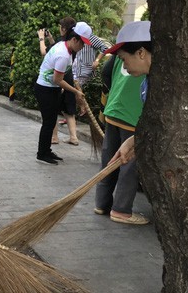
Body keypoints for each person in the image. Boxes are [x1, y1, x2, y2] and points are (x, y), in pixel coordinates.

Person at [103, 20, 159, 293]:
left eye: (123, 59)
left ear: (141, 52)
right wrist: (132, 142)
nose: (122, 67)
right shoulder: (151, 80)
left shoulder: (173, 82)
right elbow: (153, 120)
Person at [93, 47, 148, 225]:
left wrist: (116, 90)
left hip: (114, 109)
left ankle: (101, 204)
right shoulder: (146, 52)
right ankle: (121, 210)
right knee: (128, 166)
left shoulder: (124, 48)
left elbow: (106, 72)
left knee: (109, 159)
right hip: (133, 114)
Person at [34, 22, 91, 165]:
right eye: (82, 44)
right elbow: (57, 79)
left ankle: (47, 150)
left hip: (51, 89)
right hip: (45, 89)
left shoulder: (64, 46)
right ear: (74, 39)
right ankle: (42, 153)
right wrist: (76, 91)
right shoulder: (64, 55)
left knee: (51, 120)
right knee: (48, 123)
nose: (82, 47)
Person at [38, 17, 81, 145]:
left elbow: (44, 52)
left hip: (59, 78)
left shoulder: (65, 45)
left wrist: (41, 38)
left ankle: (54, 137)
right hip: (67, 77)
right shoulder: (67, 43)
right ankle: (73, 137)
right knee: (69, 108)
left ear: (63, 29)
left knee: (52, 112)